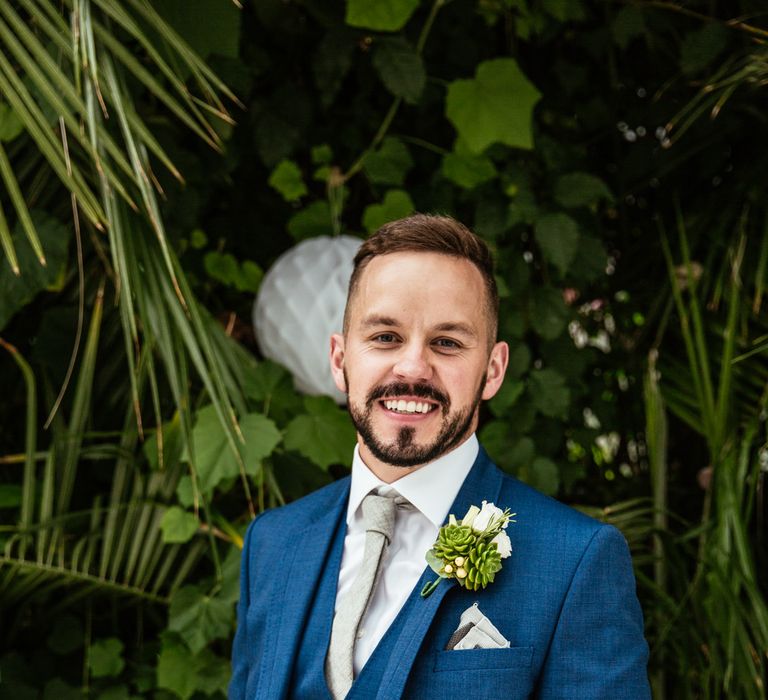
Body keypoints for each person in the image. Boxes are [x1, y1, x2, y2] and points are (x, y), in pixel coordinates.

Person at [229, 214, 650, 699]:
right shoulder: (271, 543)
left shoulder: (576, 560)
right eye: (385, 337)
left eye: (447, 343)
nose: (412, 367)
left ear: (492, 371)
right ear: (341, 360)